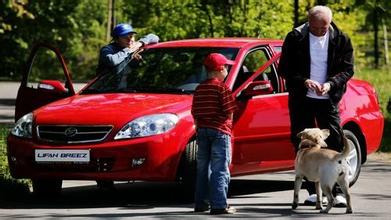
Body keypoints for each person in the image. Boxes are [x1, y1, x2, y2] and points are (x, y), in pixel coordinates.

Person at [279, 5, 354, 207]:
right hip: (302, 98)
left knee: (336, 140)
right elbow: (284, 68)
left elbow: (348, 70)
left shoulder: (341, 38)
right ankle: (313, 192)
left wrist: (330, 84)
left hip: (328, 98)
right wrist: (304, 81)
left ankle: (337, 191)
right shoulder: (295, 37)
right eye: (317, 27)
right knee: (303, 142)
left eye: (325, 27)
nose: (321, 31)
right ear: (308, 22)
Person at [191, 53, 237, 215]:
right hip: (220, 131)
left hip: (202, 131)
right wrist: (228, 126)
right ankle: (219, 205)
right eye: (226, 68)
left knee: (202, 168)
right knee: (220, 169)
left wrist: (199, 127)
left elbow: (195, 112)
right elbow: (229, 110)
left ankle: (201, 203)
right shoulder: (222, 88)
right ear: (221, 69)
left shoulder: (199, 88)